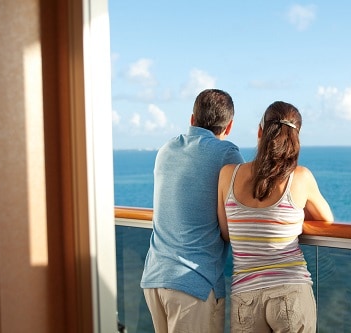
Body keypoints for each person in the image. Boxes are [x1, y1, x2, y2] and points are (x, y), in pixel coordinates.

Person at [217, 101, 334, 332]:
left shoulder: (228, 174)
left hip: (246, 297)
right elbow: (327, 219)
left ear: (260, 131)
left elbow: (226, 233)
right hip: (291, 291)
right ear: (295, 137)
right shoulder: (300, 178)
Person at [141, 89, 245, 333]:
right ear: (228, 127)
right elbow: (240, 212)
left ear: (192, 119)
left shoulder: (165, 150)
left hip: (155, 279)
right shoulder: (227, 154)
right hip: (193, 285)